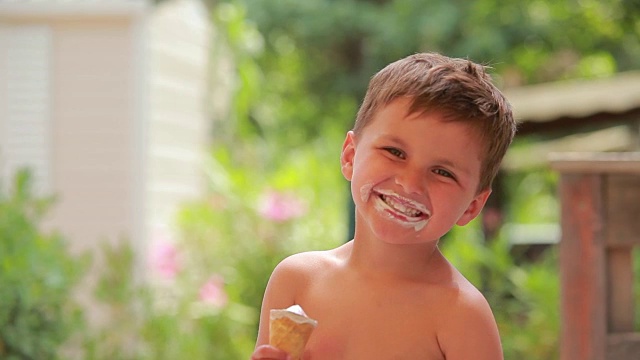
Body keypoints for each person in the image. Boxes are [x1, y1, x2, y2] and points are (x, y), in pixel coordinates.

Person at [250, 52, 516, 360]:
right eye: (394, 152)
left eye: (443, 172)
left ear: (472, 206)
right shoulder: (296, 282)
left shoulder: (462, 316)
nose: (410, 183)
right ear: (350, 156)